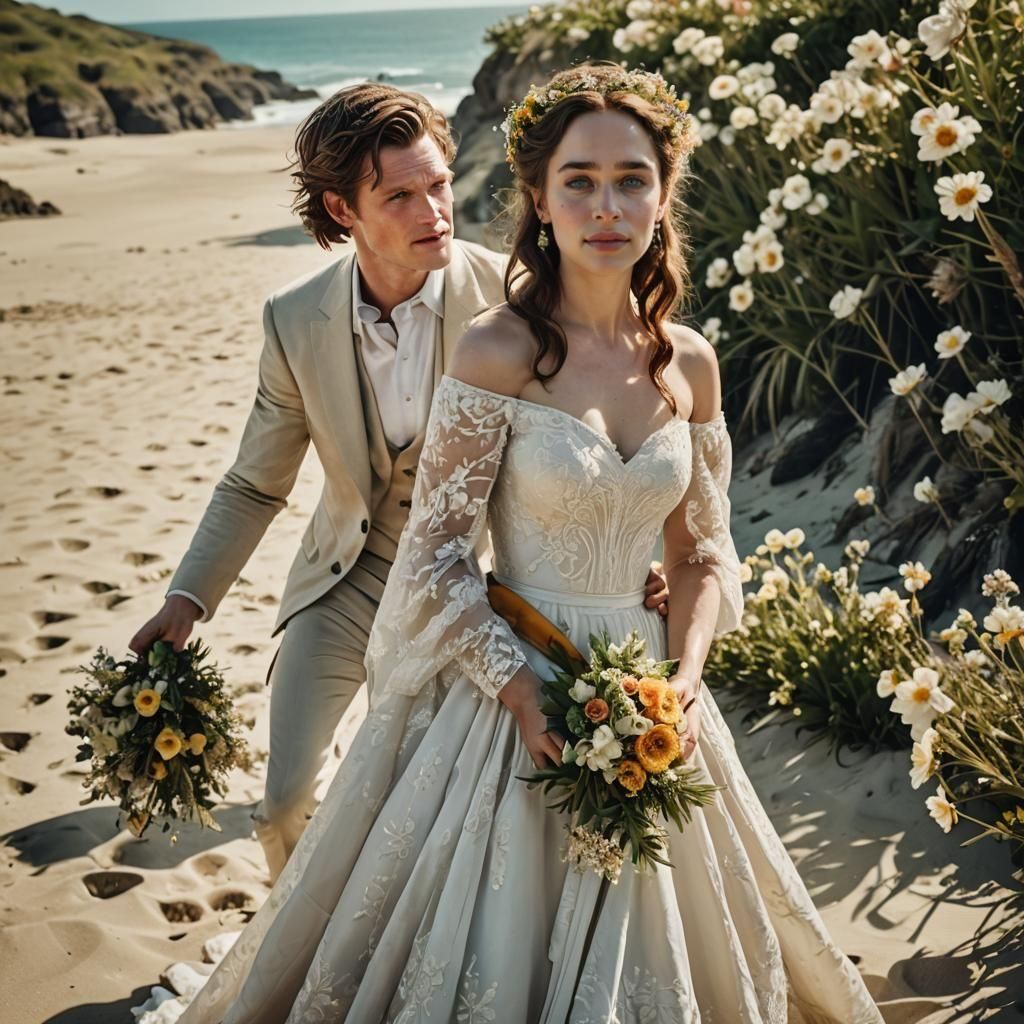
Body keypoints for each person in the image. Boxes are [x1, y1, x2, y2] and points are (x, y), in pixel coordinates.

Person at [172, 64, 884, 1022]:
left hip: (653, 687)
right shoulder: (496, 346)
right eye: (578, 181)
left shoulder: (695, 364)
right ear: (539, 201)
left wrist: (685, 675)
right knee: (338, 828)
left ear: (664, 193)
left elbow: (706, 553)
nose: (606, 205)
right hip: (483, 651)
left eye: (632, 178)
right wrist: (520, 687)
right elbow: (419, 547)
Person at [126, 82, 670, 881]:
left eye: (441, 185)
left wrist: (629, 559)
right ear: (343, 210)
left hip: (478, 591)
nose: (434, 212)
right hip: (345, 583)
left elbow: (591, 426)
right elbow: (254, 483)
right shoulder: (293, 320)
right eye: (403, 196)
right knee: (283, 805)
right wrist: (187, 597)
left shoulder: (518, 298)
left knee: (436, 812)